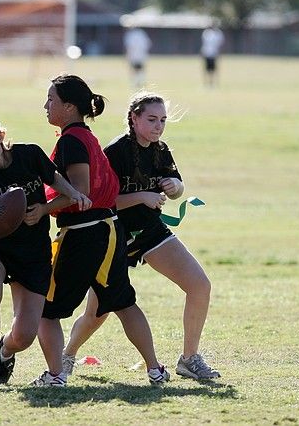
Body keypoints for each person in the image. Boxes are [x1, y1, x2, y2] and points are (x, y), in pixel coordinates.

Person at [62, 91, 220, 380]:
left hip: (149, 231)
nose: (158, 126)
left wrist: (175, 186)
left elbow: (179, 186)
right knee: (98, 313)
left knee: (199, 286)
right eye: (151, 119)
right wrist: (141, 197)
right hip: (112, 234)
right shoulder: (115, 152)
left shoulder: (160, 149)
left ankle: (189, 359)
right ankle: (67, 354)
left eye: (162, 120)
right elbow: (102, 201)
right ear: (134, 118)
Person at [26, 74, 169, 386]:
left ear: (69, 106)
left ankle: (54, 375)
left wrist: (42, 210)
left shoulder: (71, 141)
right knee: (123, 302)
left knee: (46, 309)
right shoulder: (87, 137)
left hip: (82, 233)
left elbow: (80, 194)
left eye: (51, 100)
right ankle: (155, 369)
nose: (46, 106)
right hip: (109, 230)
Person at [0, 110, 90, 388]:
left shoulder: (29, 154)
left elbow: (56, 181)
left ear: (1, 136)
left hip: (33, 253)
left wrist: (50, 205)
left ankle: (4, 351)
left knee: (24, 335)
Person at [201, 23, 224, 88]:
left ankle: (214, 83)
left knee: (214, 69)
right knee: (206, 69)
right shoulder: (206, 33)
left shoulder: (218, 33)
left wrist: (219, 53)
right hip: (206, 53)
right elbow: (204, 43)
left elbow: (220, 44)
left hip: (214, 54)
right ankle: (206, 84)